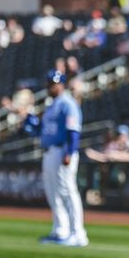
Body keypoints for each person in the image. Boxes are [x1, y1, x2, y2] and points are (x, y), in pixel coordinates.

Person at [22, 70, 87, 247]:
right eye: (50, 83)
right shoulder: (52, 106)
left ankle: (78, 233)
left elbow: (73, 131)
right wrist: (28, 117)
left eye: (55, 83)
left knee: (68, 191)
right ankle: (61, 230)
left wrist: (69, 152)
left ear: (62, 85)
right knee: (53, 192)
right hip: (50, 151)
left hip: (62, 151)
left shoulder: (68, 104)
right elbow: (40, 131)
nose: (51, 86)